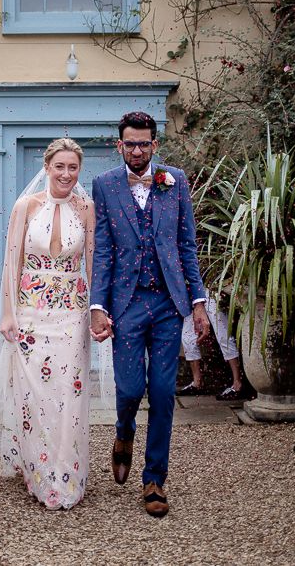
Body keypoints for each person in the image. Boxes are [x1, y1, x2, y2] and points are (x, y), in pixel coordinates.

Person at [90, 111, 210, 518]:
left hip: (166, 305)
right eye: (130, 144)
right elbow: (103, 250)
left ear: (154, 145)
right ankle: (124, 433)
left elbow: (187, 246)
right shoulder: (104, 185)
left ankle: (154, 478)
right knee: (128, 390)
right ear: (119, 145)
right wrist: (97, 307)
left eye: (144, 143)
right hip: (126, 304)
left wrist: (198, 303)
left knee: (162, 393)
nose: (137, 150)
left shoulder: (174, 181)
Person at [0, 138, 95, 510]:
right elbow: (12, 262)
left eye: (72, 167)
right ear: (46, 167)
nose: (66, 174)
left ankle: (66, 471)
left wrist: (96, 310)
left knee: (69, 393)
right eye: (59, 166)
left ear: (79, 170)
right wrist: (8, 313)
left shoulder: (87, 208)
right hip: (30, 314)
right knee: (34, 395)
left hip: (71, 314)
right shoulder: (25, 206)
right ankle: (38, 470)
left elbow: (91, 264)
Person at [177, 290, 246, 400]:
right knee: (187, 338)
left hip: (212, 289)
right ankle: (197, 383)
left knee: (223, 335)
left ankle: (238, 383)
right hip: (191, 294)